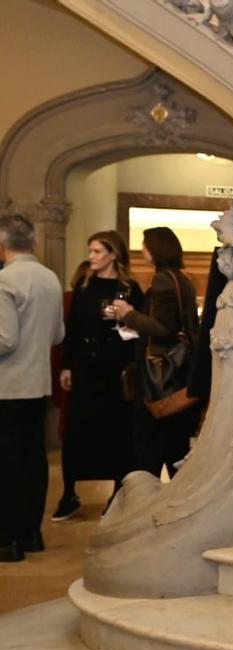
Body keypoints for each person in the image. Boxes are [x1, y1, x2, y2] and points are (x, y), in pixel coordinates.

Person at [52, 231, 144, 521]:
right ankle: (69, 493)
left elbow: (137, 334)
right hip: (86, 366)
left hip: (116, 367)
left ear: (113, 254)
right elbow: (74, 329)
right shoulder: (84, 285)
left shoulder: (129, 289)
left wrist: (125, 320)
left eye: (97, 251)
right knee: (77, 430)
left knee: (117, 430)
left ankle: (117, 493)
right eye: (90, 251)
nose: (91, 256)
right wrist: (66, 365)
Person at [112, 227, 201, 480]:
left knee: (150, 445)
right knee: (176, 446)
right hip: (180, 372)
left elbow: (162, 327)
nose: (142, 250)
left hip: (159, 371)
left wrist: (128, 313)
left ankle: (147, 502)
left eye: (145, 244)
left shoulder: (163, 279)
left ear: (156, 248)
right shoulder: (183, 279)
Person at [0, 214, 65, 562]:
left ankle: (7, 540)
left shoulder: (5, 280)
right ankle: (32, 533)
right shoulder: (50, 278)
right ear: (34, 242)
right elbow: (58, 336)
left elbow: (5, 340)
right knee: (33, 459)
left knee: (6, 463)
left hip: (6, 385)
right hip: (37, 383)